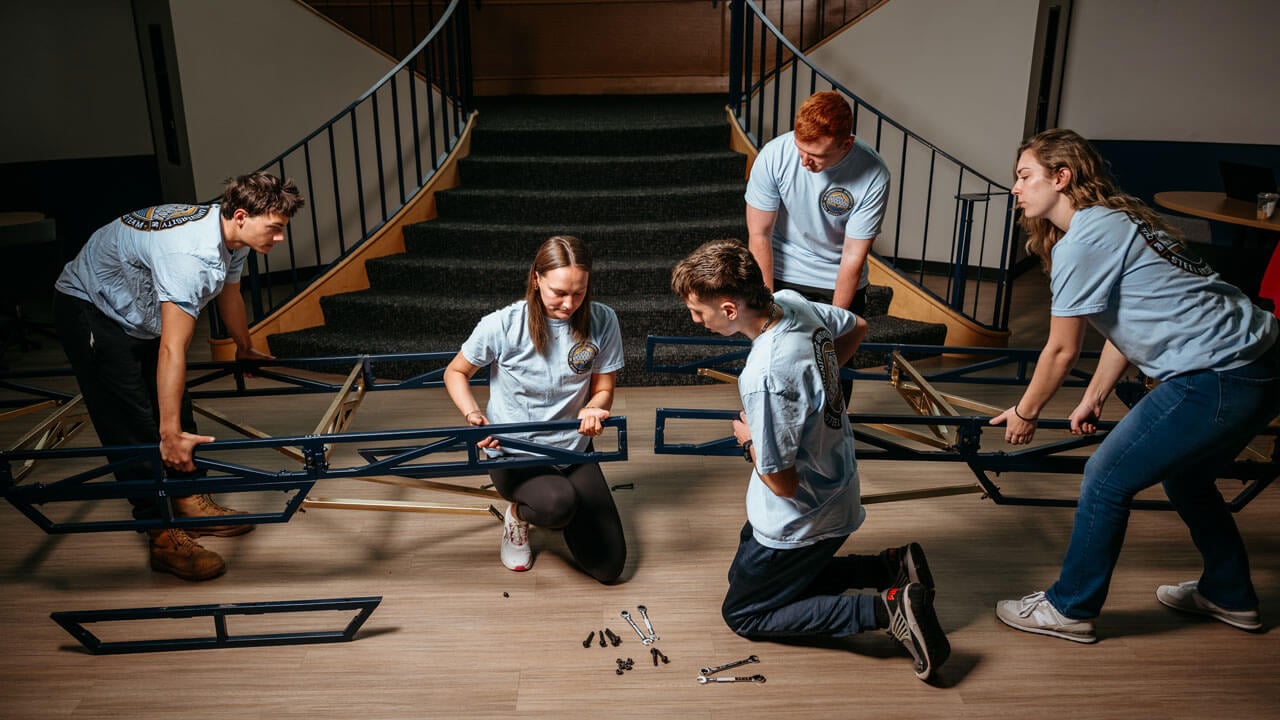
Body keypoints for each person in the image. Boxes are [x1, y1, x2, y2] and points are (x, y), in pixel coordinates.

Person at [992, 129, 1280, 642]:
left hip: (1216, 372)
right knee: (1187, 478)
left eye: (1024, 176)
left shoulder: (1082, 242)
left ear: (1062, 178)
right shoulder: (1120, 222)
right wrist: (1094, 396)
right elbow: (1128, 324)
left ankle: (1070, 608)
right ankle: (1229, 593)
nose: (1016, 187)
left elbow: (1061, 349)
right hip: (1260, 361)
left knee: (1107, 478)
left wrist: (1026, 411)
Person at [670, 239, 949, 681]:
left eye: (697, 310)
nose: (693, 319)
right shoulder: (790, 303)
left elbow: (782, 483)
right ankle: (887, 567)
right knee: (747, 578)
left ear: (728, 309)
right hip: (836, 480)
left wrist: (748, 441)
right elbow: (857, 325)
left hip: (803, 512)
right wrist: (821, 383)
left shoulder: (764, 375)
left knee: (743, 612)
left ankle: (885, 609)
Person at [53, 171, 305, 581]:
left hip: (138, 307)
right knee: (130, 418)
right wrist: (166, 434)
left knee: (174, 404)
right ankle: (159, 532)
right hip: (91, 308)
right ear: (241, 215)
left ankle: (188, 501)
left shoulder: (230, 236)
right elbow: (173, 348)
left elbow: (230, 292)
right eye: (275, 229)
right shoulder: (190, 257)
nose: (279, 238)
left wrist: (244, 346)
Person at [444, 235, 627, 583]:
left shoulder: (603, 320)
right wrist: (474, 417)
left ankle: (554, 502)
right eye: (559, 292)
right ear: (536, 279)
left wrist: (593, 408)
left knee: (609, 567)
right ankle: (518, 516)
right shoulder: (501, 324)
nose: (570, 303)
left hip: (571, 449)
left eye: (579, 292)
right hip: (516, 453)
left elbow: (603, 388)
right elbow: (455, 372)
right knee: (557, 505)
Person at [745, 91, 890, 317]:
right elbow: (759, 234)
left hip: (835, 281)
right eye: (800, 148)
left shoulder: (873, 174)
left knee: (830, 352)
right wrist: (767, 305)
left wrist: (836, 319)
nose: (804, 161)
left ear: (846, 145)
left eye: (816, 155)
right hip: (782, 274)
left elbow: (853, 254)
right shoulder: (773, 155)